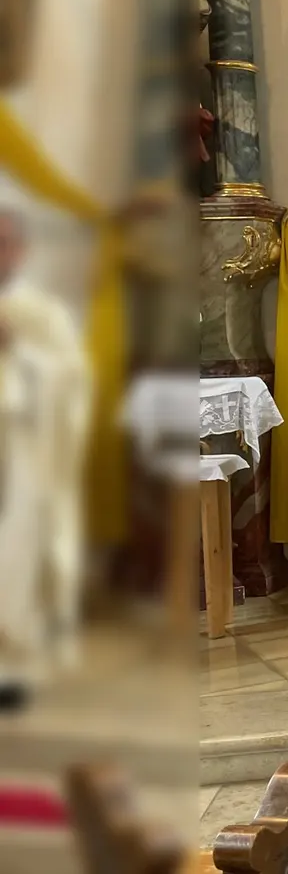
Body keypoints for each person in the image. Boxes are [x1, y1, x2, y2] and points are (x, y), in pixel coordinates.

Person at [0, 209, 88, 712]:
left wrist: (19, 353)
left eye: (7, 243)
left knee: (15, 559)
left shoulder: (38, 313)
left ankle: (10, 672)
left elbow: (69, 380)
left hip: (21, 450)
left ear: (21, 251)